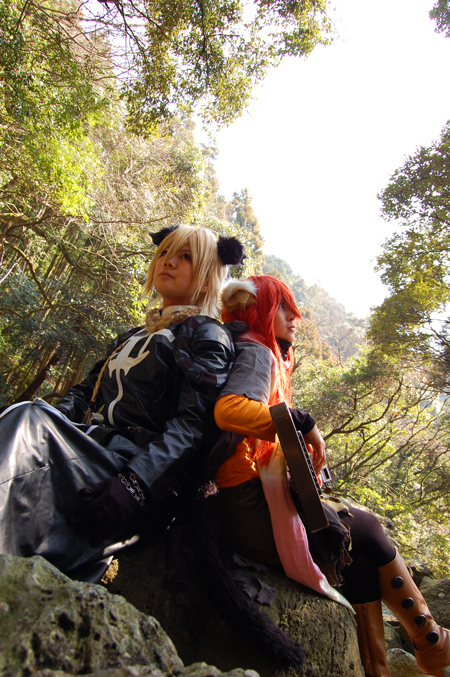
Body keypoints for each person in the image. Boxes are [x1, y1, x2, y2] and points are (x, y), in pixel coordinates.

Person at [211, 274, 450, 677]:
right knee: (365, 531)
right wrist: (300, 422)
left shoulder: (252, 349)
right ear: (258, 309)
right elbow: (229, 410)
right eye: (284, 307)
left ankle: (404, 656)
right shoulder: (257, 352)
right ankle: (432, 642)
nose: (295, 317)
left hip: (241, 497)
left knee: (358, 552)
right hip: (242, 502)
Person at [0, 225, 245, 580]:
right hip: (88, 447)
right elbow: (84, 392)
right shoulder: (133, 334)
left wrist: (135, 484)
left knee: (28, 421)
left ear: (207, 281)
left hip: (134, 478)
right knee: (29, 418)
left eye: (185, 257)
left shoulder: (208, 334)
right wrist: (57, 420)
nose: (168, 261)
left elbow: (192, 425)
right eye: (164, 253)